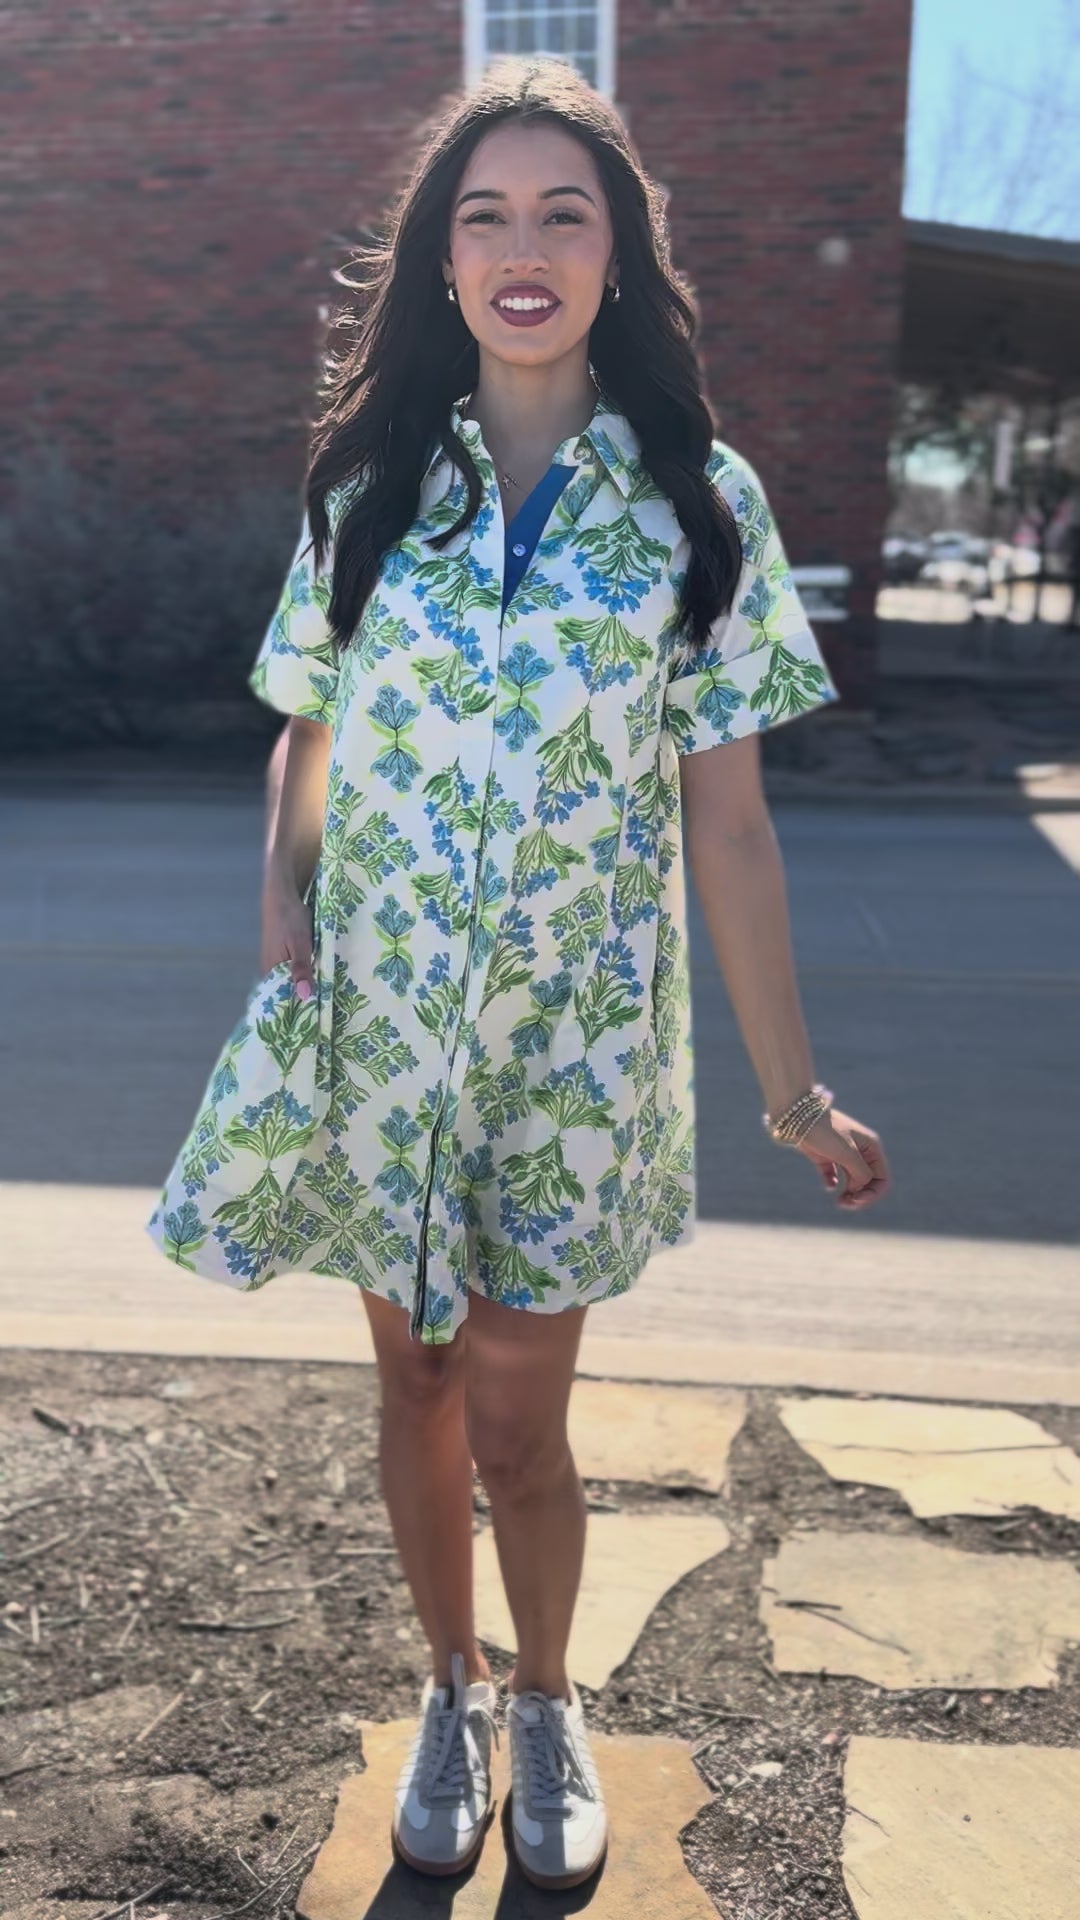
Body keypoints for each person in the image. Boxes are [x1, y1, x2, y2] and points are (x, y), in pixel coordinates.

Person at [146, 53, 890, 1893]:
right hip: (382, 1036)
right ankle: (450, 1687)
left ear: (618, 257)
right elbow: (303, 735)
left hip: (574, 1056)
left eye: (567, 211)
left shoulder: (697, 504)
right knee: (405, 1389)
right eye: (486, 215)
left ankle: (548, 1698)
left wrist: (794, 1087)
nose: (524, 244)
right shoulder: (369, 485)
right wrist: (284, 927)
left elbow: (730, 826)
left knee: (517, 1418)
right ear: (443, 262)